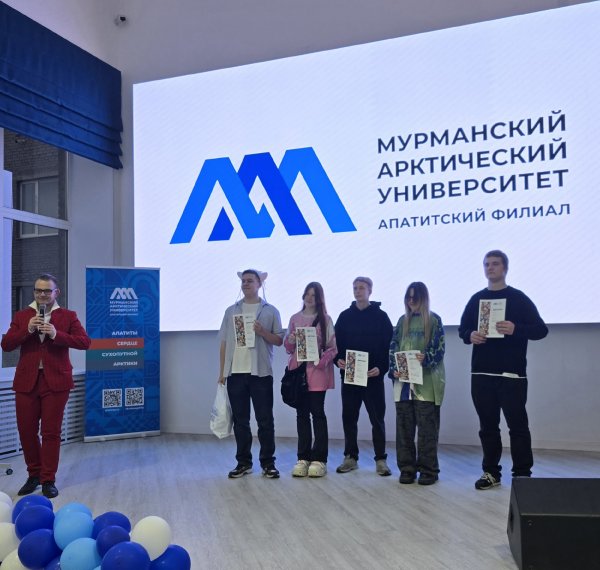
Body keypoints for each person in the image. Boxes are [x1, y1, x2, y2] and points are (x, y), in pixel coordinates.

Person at [458, 250, 548, 490]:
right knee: (488, 428)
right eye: (486, 264)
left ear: (505, 268)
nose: (490, 268)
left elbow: (541, 330)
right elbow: (462, 330)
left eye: (495, 264)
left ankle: (522, 474)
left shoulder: (518, 298)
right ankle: (491, 473)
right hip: (481, 374)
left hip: (512, 375)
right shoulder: (476, 299)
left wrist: (516, 329)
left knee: (517, 426)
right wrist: (470, 335)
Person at [1, 274, 91, 498]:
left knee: (51, 432)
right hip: (27, 382)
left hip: (56, 382)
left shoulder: (68, 316)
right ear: (34, 292)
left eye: (47, 291)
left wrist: (56, 334)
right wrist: (27, 330)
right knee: (26, 431)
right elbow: (6, 344)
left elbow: (85, 342)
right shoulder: (22, 316)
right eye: (38, 290)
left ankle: (48, 479)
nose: (42, 294)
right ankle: (34, 475)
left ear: (56, 293)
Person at [217, 269, 284, 479]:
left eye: (250, 281)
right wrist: (222, 372)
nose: (245, 284)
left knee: (265, 421)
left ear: (259, 284)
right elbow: (224, 342)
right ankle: (243, 463)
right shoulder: (231, 311)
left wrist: (262, 332)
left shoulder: (270, 310)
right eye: (243, 281)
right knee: (240, 421)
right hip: (236, 373)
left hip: (260, 373)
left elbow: (279, 340)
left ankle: (268, 463)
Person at [334, 276, 393, 476]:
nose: (357, 291)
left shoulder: (381, 317)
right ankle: (350, 457)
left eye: (361, 288)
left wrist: (381, 368)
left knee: (377, 419)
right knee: (349, 417)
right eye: (355, 288)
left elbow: (389, 347)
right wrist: (338, 361)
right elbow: (336, 346)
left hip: (373, 377)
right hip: (350, 377)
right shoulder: (344, 317)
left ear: (370, 291)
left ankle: (381, 459)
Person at [388, 282, 445, 486]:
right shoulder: (401, 321)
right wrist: (393, 369)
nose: (411, 301)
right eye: (408, 297)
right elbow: (393, 347)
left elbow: (439, 349)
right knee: (404, 429)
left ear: (424, 298)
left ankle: (429, 470)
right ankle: (407, 469)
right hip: (403, 385)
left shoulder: (434, 320)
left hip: (427, 385)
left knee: (427, 430)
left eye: (415, 297)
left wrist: (426, 357)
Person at [283, 282, 337, 477]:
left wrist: (321, 361)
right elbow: (288, 348)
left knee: (318, 413)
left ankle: (319, 459)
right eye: (307, 293)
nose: (309, 298)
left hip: (318, 373)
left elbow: (333, 348)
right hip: (299, 373)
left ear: (319, 298)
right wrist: (290, 340)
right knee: (302, 415)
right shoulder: (294, 319)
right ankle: (303, 457)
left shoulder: (326, 320)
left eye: (314, 295)